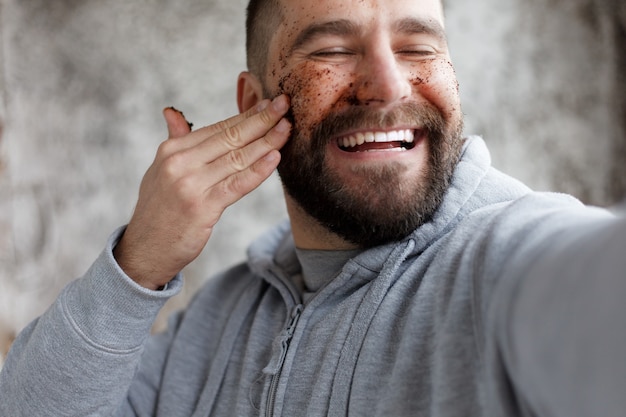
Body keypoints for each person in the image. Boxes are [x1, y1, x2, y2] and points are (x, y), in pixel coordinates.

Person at [0, 0, 624, 415]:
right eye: (330, 49)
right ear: (254, 104)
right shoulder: (215, 322)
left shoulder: (514, 258)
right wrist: (139, 261)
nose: (388, 84)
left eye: (417, 46)